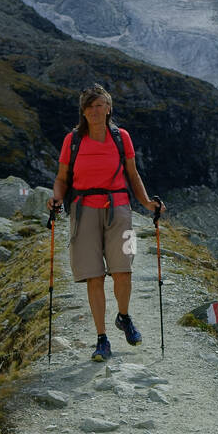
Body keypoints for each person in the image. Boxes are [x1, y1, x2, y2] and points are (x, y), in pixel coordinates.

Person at [48, 84, 166, 361]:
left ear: (109, 108)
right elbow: (62, 178)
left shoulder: (121, 137)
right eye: (89, 106)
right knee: (94, 276)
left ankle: (123, 317)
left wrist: (147, 203)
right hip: (83, 210)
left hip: (119, 208)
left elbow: (132, 174)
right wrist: (56, 198)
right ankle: (102, 338)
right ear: (83, 111)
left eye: (100, 105)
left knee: (124, 269)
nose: (95, 110)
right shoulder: (73, 140)